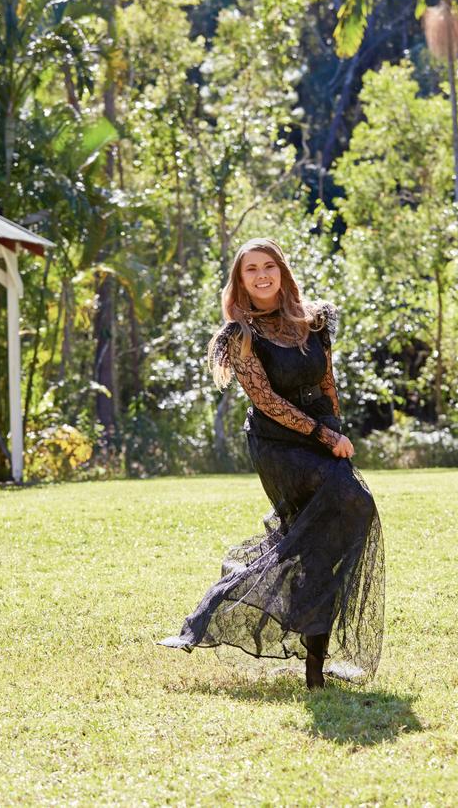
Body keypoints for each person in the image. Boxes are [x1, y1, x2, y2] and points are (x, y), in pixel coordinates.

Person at [158, 238, 385, 689]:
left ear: (282, 271)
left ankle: (314, 670)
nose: (261, 276)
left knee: (325, 537)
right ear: (240, 281)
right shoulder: (241, 335)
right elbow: (266, 401)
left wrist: (335, 426)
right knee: (347, 506)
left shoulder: (315, 319)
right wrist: (325, 435)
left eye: (268, 267)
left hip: (322, 432)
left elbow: (326, 379)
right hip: (278, 444)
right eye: (250, 270)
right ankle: (222, 608)